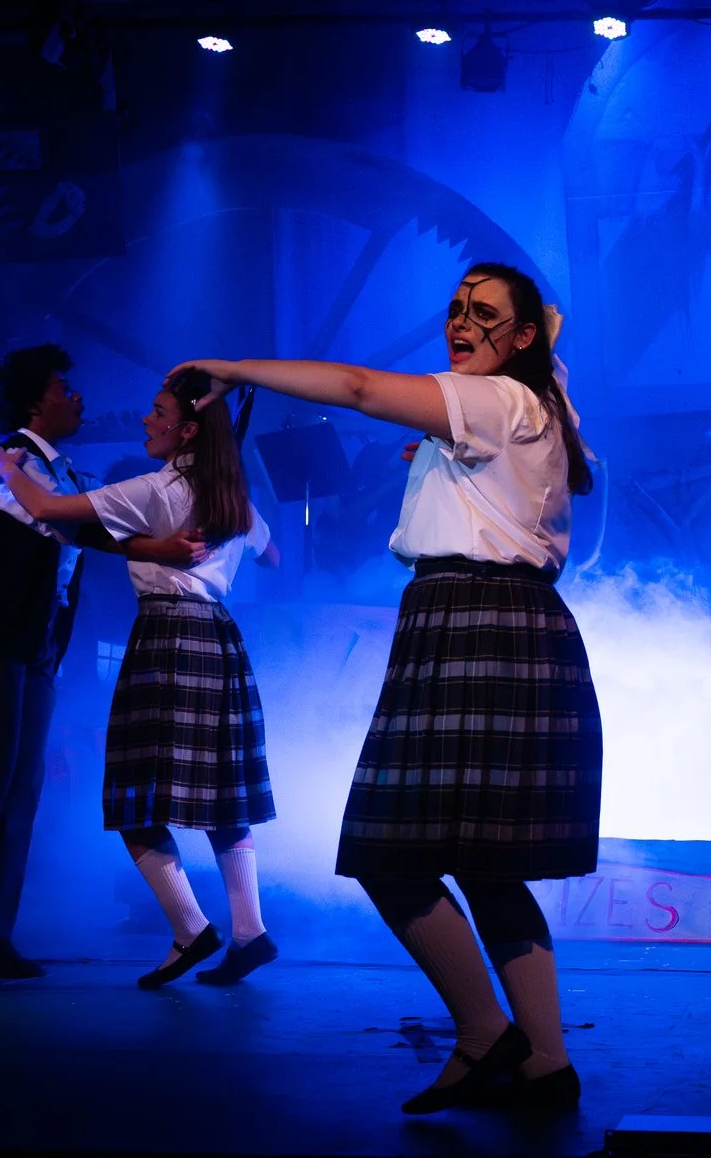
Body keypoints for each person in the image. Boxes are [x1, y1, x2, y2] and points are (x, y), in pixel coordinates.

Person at [170, 261, 599, 1113]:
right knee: (487, 863)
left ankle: (486, 1033)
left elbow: (361, 386)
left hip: (472, 623)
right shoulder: (535, 401)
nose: (460, 323)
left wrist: (235, 369)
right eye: (454, 309)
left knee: (387, 849)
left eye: (483, 314)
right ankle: (545, 1061)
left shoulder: (496, 402)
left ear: (516, 339)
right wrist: (521, 345)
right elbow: (542, 338)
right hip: (502, 623)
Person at [0, 345, 196, 980]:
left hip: (29, 645)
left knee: (21, 787)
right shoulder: (12, 462)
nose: (77, 396)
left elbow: (84, 519)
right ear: (34, 401)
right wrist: (159, 546)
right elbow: (58, 525)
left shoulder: (59, 468)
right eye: (64, 387)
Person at [0, 369, 283, 989]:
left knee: (133, 796)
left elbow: (45, 508)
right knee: (220, 798)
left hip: (168, 635)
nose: (146, 421)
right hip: (218, 636)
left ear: (186, 428)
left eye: (156, 411)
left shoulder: (154, 487)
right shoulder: (232, 493)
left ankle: (190, 927)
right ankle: (248, 932)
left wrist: (6, 466)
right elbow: (272, 555)